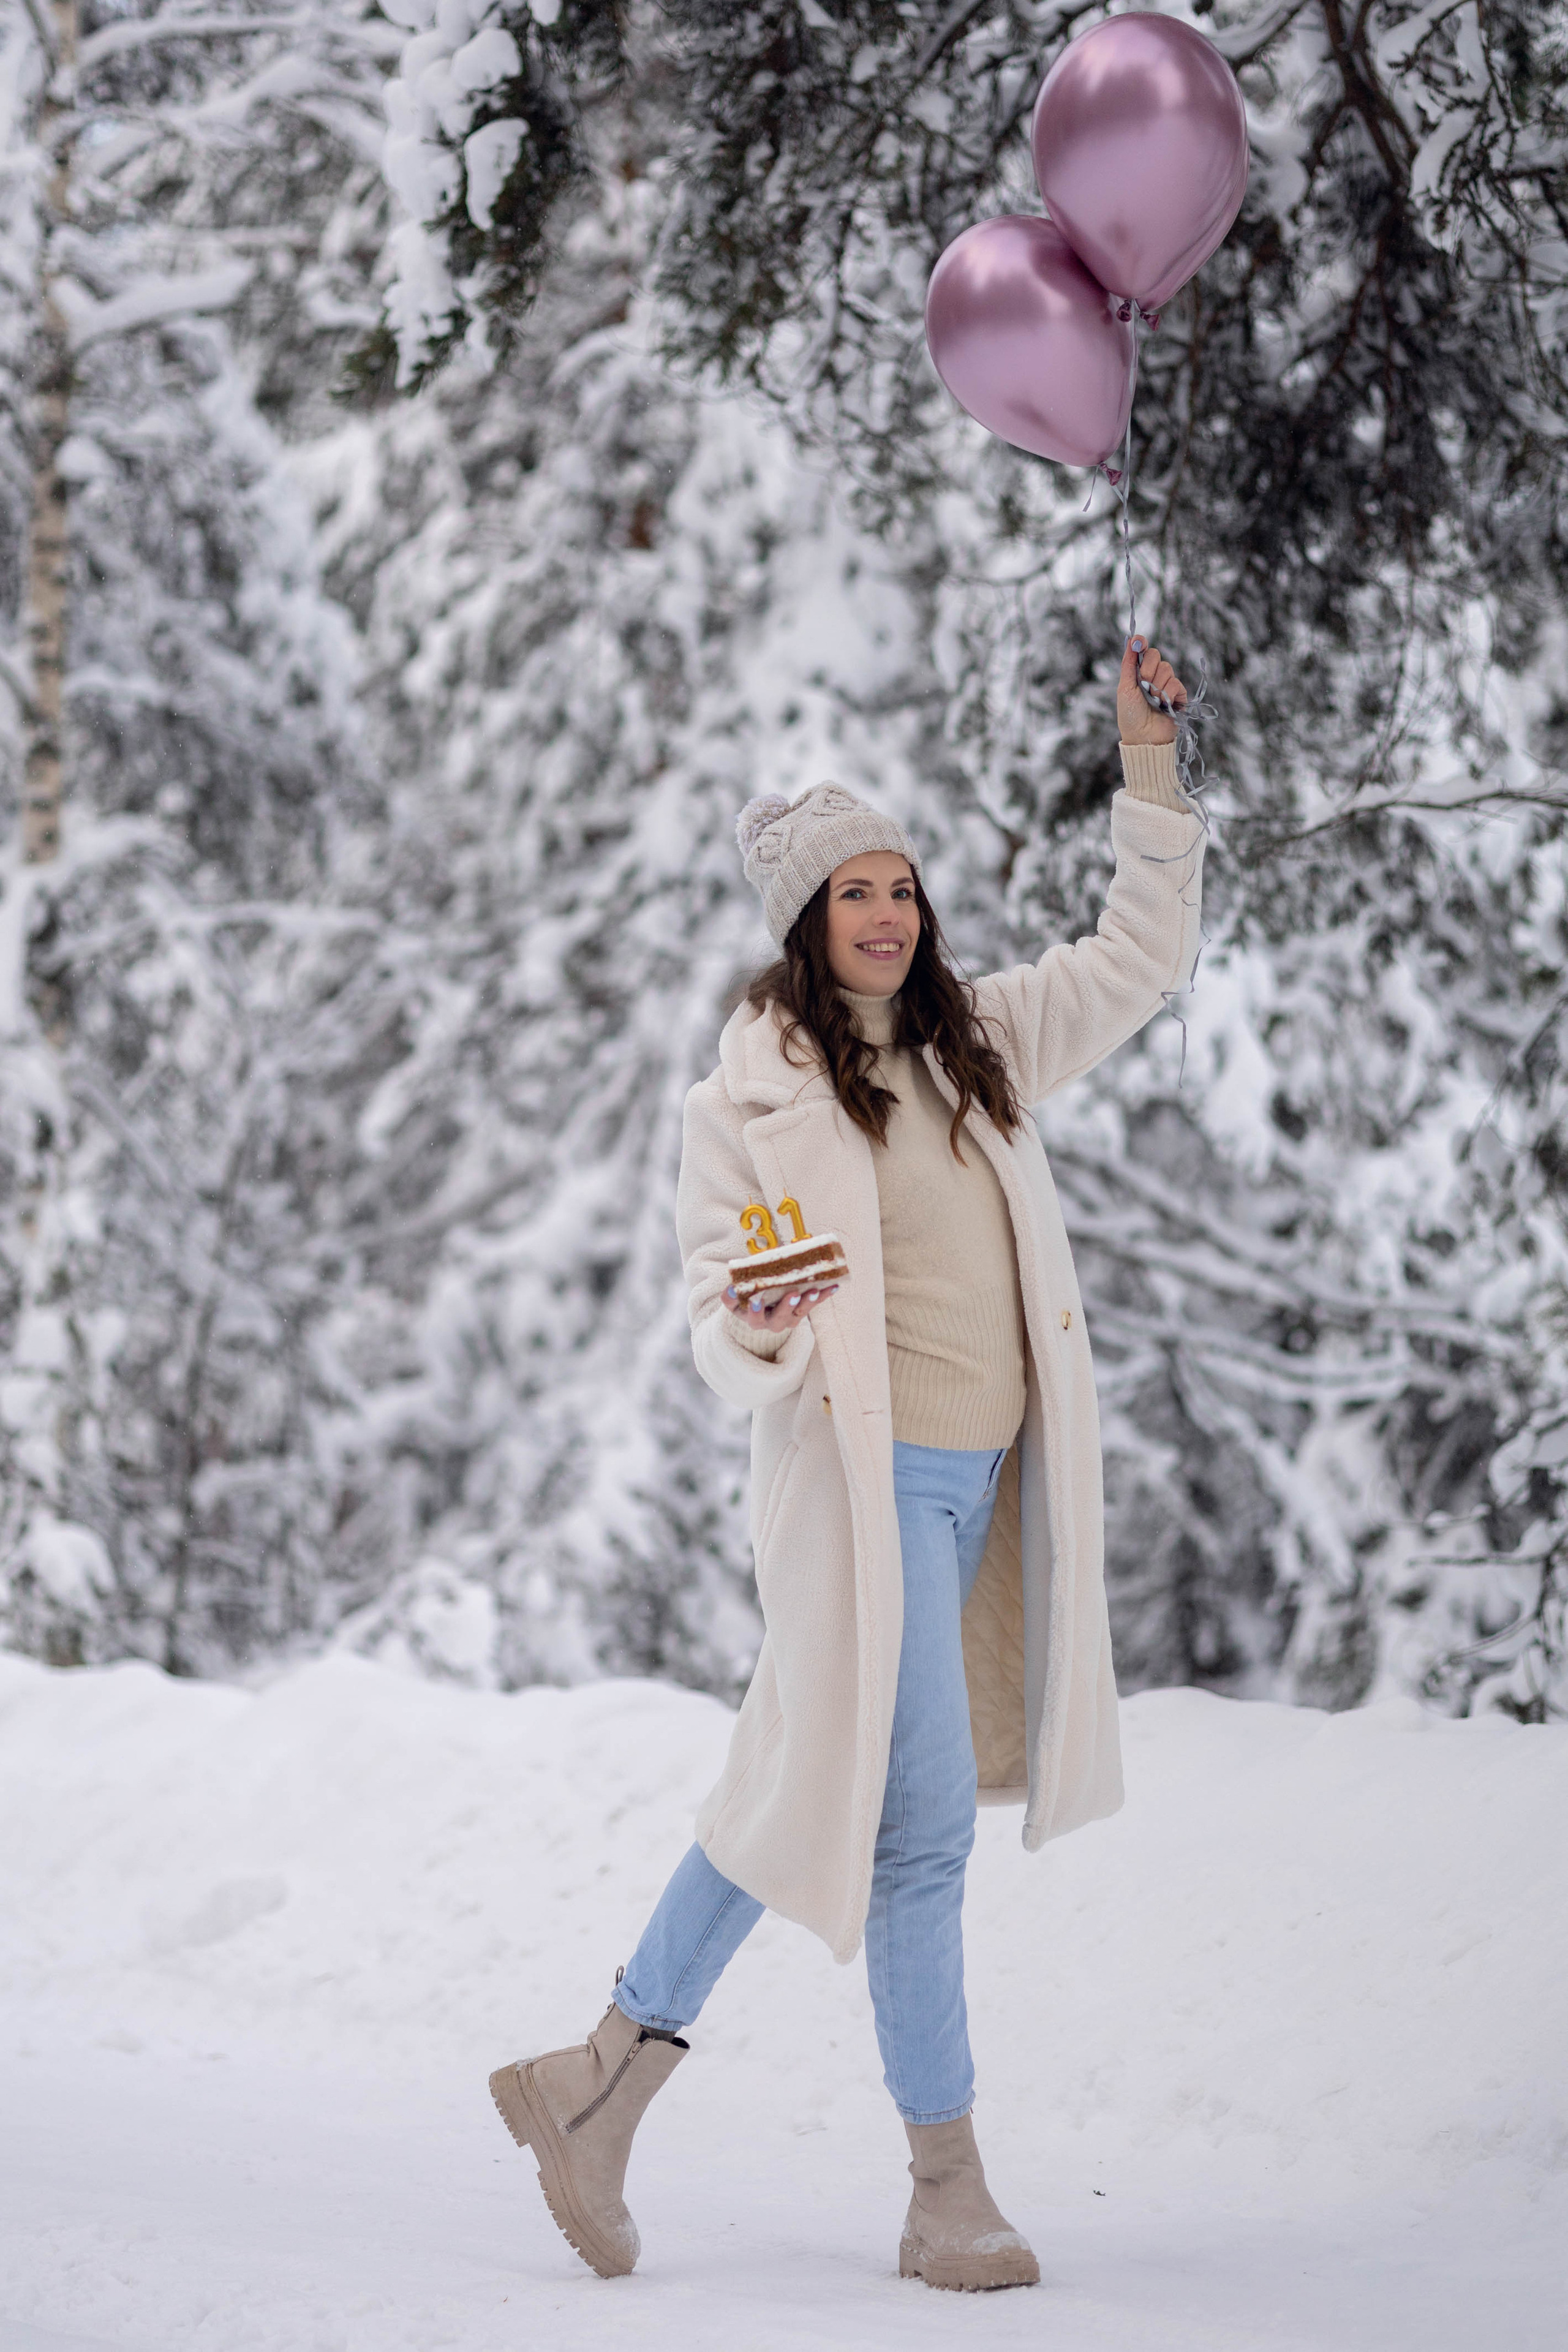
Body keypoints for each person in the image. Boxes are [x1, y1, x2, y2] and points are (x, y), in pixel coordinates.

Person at [490, 638, 1204, 2291]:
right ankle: (944, 2186)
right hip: (859, 1503)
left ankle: (592, 2083)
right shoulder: (756, 1095)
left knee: (799, 1785)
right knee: (916, 1833)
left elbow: (1141, 953)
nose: (887, 913)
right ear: (804, 926)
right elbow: (718, 1325)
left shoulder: (987, 1045)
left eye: (901, 885)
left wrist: (1149, 774)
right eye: (853, 893)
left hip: (981, 1499)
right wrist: (760, 1315)